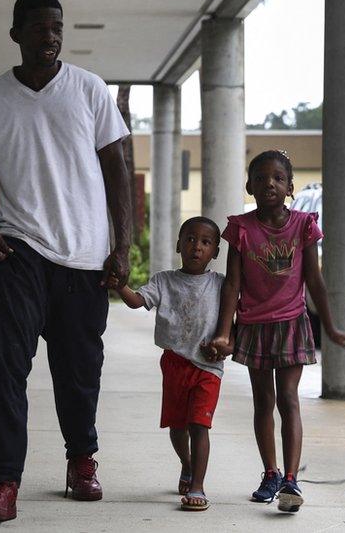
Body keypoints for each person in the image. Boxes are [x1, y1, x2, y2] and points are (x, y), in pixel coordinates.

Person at [0, 0, 132, 522]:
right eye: (38, 28)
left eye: (57, 27)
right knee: (7, 367)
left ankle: (81, 461)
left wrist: (123, 244)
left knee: (78, 370)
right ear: (15, 35)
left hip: (85, 255)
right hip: (21, 249)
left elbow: (117, 169)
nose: (51, 36)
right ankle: (5, 481)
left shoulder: (88, 90)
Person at [207, 150, 345, 513]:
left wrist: (332, 327)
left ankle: (291, 479)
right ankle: (270, 473)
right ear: (250, 186)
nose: (269, 184)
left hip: (292, 323)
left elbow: (315, 281)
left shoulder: (304, 225)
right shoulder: (241, 229)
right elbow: (232, 284)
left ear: (290, 187)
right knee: (263, 402)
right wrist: (223, 333)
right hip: (254, 325)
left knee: (288, 399)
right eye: (261, 178)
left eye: (278, 178)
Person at [112, 217, 225, 512]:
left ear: (215, 251)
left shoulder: (220, 285)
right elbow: (137, 301)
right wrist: (119, 285)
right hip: (174, 363)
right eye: (189, 239)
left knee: (200, 424)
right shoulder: (164, 281)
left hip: (206, 367)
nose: (196, 247)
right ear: (178, 245)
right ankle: (186, 465)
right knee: (178, 427)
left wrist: (226, 346)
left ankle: (198, 486)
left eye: (205, 242)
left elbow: (233, 325)